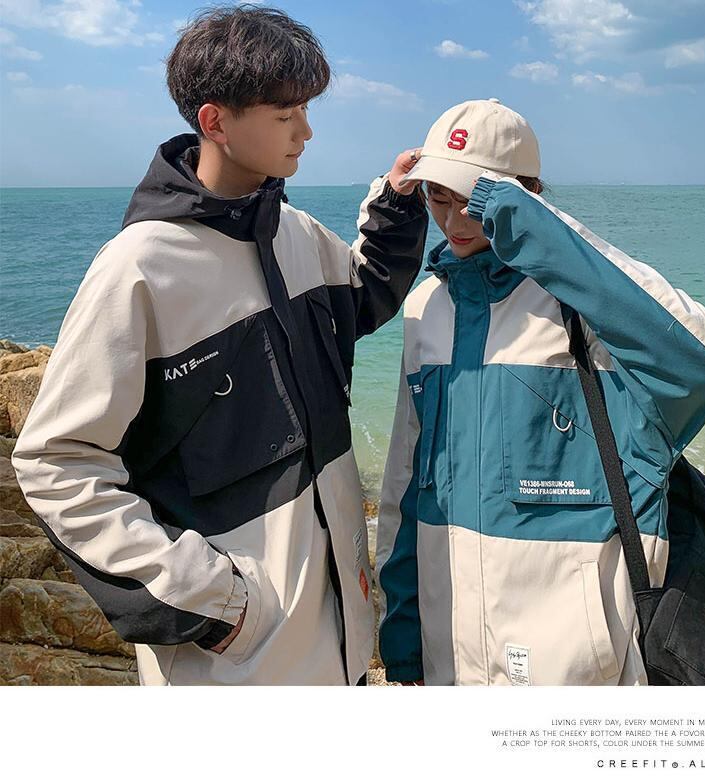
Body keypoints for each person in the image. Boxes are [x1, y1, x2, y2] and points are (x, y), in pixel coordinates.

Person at [12, 5, 428, 686]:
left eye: (306, 109)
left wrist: (399, 203)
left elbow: (363, 297)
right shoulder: (140, 268)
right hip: (230, 663)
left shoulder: (295, 234)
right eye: (285, 113)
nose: (306, 130)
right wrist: (213, 601)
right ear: (215, 122)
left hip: (339, 637)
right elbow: (56, 463)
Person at [375, 98, 705, 686]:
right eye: (438, 197)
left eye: (474, 199)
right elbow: (406, 483)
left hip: (578, 670)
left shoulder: (582, 309)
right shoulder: (427, 309)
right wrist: (403, 639)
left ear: (529, 196)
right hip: (451, 659)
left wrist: (545, 238)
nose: (455, 220)